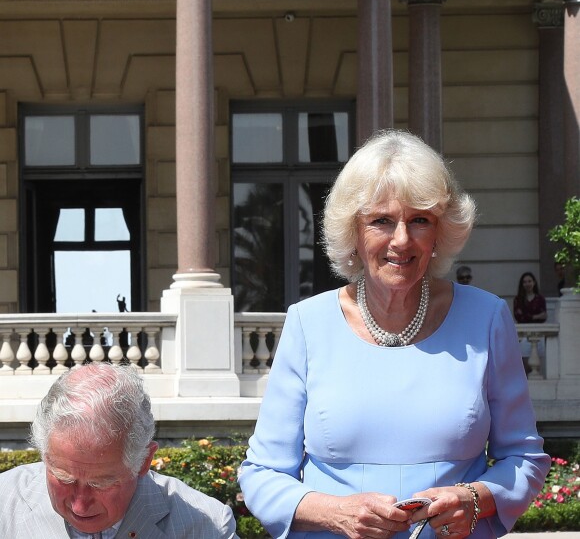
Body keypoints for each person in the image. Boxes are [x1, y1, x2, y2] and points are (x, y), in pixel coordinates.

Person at [239, 130, 550, 539]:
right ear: (354, 231)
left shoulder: (487, 318)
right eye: (381, 220)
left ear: (440, 232)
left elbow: (525, 457)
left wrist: (475, 499)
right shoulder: (307, 323)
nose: (401, 240)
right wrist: (337, 513)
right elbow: (263, 473)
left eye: (419, 219)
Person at [0, 362, 238, 539]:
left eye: (101, 483)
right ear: (45, 454)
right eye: (64, 478)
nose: (80, 506)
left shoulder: (208, 527)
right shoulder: (5, 503)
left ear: (144, 461)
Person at [513, 271, 547, 375]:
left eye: (529, 281)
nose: (527, 284)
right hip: (523, 335)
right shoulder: (518, 299)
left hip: (538, 334)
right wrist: (536, 316)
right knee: (524, 362)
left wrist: (528, 316)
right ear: (522, 284)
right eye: (525, 282)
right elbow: (518, 316)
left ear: (534, 282)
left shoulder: (540, 299)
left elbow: (544, 316)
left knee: (538, 361)